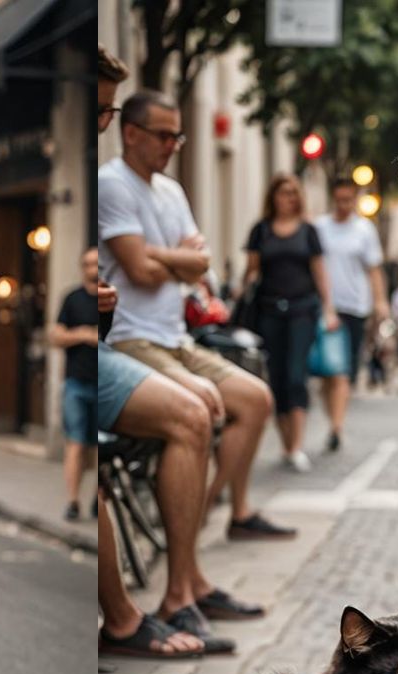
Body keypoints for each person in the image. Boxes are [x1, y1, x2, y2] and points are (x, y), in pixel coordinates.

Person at [99, 89, 294, 544]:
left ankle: (224, 509)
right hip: (132, 340)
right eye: (163, 135)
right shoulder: (112, 184)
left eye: (178, 137)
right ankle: (187, 531)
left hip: (178, 338)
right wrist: (173, 260)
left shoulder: (172, 189)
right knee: (204, 404)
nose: (172, 145)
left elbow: (200, 263)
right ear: (130, 133)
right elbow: (140, 273)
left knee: (257, 398)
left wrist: (156, 253)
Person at [239, 173, 337, 472]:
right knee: (277, 378)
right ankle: (285, 444)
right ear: (273, 198)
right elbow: (252, 270)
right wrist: (242, 291)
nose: (288, 199)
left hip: (302, 310)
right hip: (269, 311)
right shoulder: (261, 230)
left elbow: (319, 271)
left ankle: (296, 446)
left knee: (296, 374)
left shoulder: (308, 231)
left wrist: (329, 308)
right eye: (282, 193)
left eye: (293, 194)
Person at [314, 177, 387, 451]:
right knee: (327, 372)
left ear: (354, 199)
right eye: (339, 199)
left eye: (348, 200)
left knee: (343, 370)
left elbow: (374, 269)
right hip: (326, 307)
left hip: (355, 307)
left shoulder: (364, 229)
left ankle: (336, 426)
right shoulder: (320, 227)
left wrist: (380, 302)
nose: (344, 205)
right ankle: (333, 420)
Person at [52, 248, 101, 521]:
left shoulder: (109, 298)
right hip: (77, 383)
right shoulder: (72, 299)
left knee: (97, 448)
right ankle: (72, 501)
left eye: (96, 263)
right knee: (76, 443)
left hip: (103, 383)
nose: (92, 268)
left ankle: (97, 498)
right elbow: (56, 336)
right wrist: (83, 334)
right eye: (87, 264)